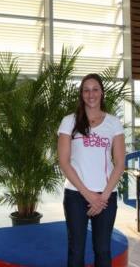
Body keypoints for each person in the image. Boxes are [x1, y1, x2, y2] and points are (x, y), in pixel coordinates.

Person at [57, 73, 125, 267]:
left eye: (95, 89)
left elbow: (119, 162)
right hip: (76, 194)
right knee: (76, 250)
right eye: (86, 90)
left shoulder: (113, 123)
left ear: (102, 93)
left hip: (106, 196)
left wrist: (102, 197)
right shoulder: (69, 121)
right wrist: (88, 195)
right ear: (81, 94)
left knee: (103, 250)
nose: (91, 94)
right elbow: (64, 162)